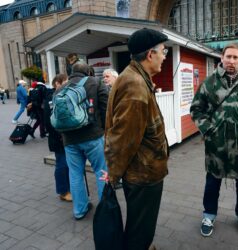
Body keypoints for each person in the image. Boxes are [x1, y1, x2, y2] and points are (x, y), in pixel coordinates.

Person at [190, 43, 238, 237]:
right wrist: (208, 130)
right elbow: (196, 109)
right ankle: (209, 215)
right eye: (228, 57)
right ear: (221, 58)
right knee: (212, 183)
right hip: (216, 145)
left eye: (235, 57)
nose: (231, 61)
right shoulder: (210, 83)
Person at [104, 28, 169, 250]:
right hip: (143, 174)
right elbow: (123, 139)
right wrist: (113, 175)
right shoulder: (135, 86)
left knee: (140, 225)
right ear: (150, 54)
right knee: (140, 231)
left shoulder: (135, 78)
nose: (165, 55)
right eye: (163, 51)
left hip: (143, 170)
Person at [62, 61, 108, 220]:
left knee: (75, 174)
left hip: (69, 139)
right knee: (102, 172)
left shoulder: (62, 87)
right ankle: (105, 210)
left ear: (72, 72)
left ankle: (79, 210)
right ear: (88, 71)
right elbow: (106, 108)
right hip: (93, 137)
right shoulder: (95, 82)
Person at [44, 74, 72, 201]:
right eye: (65, 82)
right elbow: (48, 122)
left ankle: (68, 188)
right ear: (57, 84)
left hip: (66, 137)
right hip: (58, 138)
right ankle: (63, 191)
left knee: (67, 164)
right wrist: (60, 134)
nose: (68, 84)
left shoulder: (63, 95)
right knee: (62, 164)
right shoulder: (51, 98)